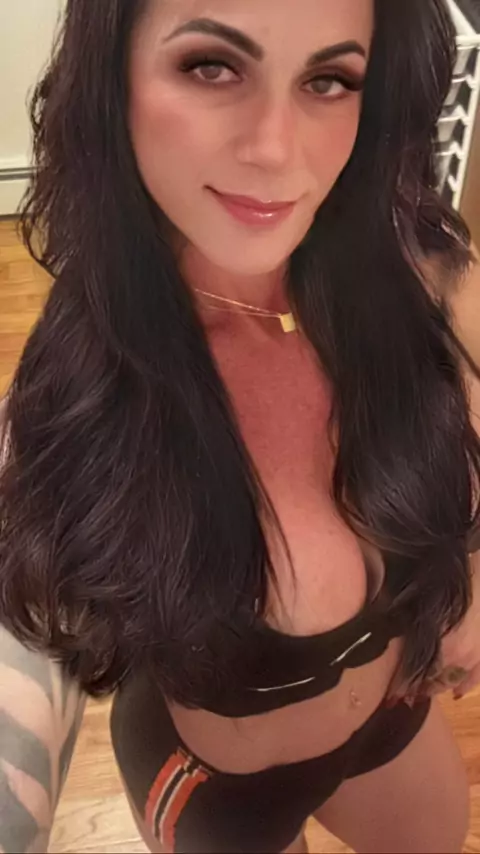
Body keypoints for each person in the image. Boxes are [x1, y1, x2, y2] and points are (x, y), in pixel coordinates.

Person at [1, 0, 480, 851]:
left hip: (391, 721)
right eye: (211, 66)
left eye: (328, 79)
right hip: (222, 791)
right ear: (113, 79)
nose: (275, 148)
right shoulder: (79, 390)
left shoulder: (420, 272)